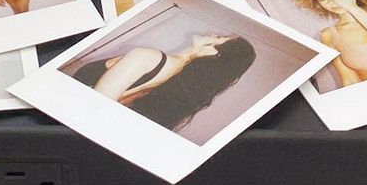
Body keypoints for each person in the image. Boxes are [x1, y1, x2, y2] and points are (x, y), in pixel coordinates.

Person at [71, 33, 256, 133]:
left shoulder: (150, 58)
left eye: (222, 38)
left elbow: (94, 107)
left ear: (215, 53)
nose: (215, 34)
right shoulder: (174, 71)